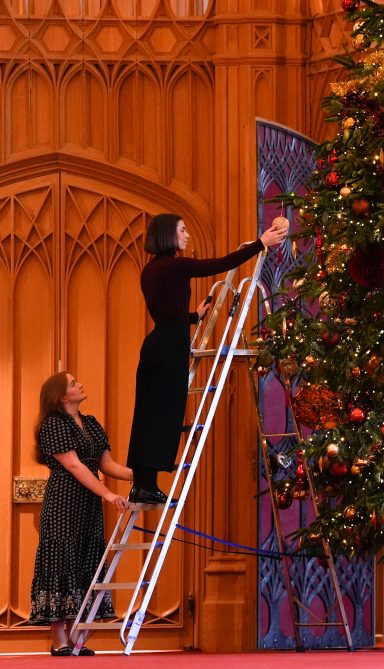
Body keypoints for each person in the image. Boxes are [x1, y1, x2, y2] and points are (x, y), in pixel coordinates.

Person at [127, 214, 288, 504]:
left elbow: (166, 314)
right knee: (165, 416)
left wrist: (193, 317)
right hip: (169, 351)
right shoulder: (175, 266)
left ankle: (142, 484)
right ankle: (147, 485)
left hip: (155, 346)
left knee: (148, 415)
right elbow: (222, 264)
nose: (187, 235)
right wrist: (259, 244)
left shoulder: (149, 270)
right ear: (168, 235)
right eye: (182, 229)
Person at [27, 372, 133, 656]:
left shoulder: (91, 423)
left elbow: (106, 464)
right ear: (61, 396)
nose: (81, 384)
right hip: (63, 500)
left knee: (86, 556)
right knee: (62, 559)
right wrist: (108, 493)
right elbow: (74, 466)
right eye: (73, 384)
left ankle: (76, 638)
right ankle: (59, 639)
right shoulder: (53, 424)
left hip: (88, 501)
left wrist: (139, 475)